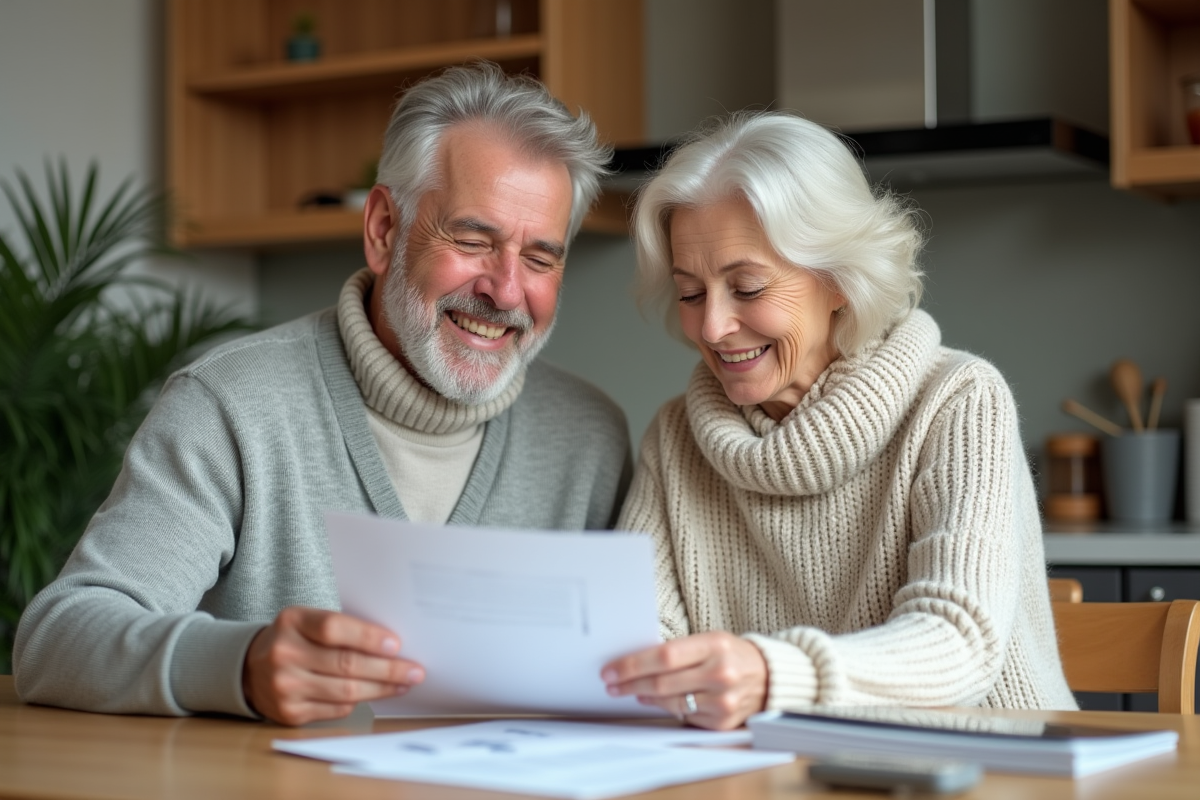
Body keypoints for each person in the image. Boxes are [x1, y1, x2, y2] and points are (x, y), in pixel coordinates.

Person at [15, 63, 631, 726]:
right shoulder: (230, 405)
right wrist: (240, 665)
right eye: (473, 240)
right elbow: (58, 639)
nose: (507, 290)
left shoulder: (591, 437)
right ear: (384, 230)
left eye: (540, 257)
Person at [600, 111, 1076, 730]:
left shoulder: (957, 401)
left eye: (746, 288)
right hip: (782, 776)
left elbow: (959, 644)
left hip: (992, 769)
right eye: (691, 293)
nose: (712, 327)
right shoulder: (677, 437)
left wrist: (774, 675)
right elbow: (636, 641)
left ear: (838, 281)